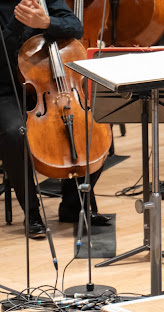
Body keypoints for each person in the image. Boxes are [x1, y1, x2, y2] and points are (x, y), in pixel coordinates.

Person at [0, 0, 110, 239]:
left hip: (47, 82)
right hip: (6, 87)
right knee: (12, 133)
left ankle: (73, 205)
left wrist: (47, 22)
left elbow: (75, 26)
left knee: (92, 128)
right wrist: (19, 25)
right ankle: (32, 213)